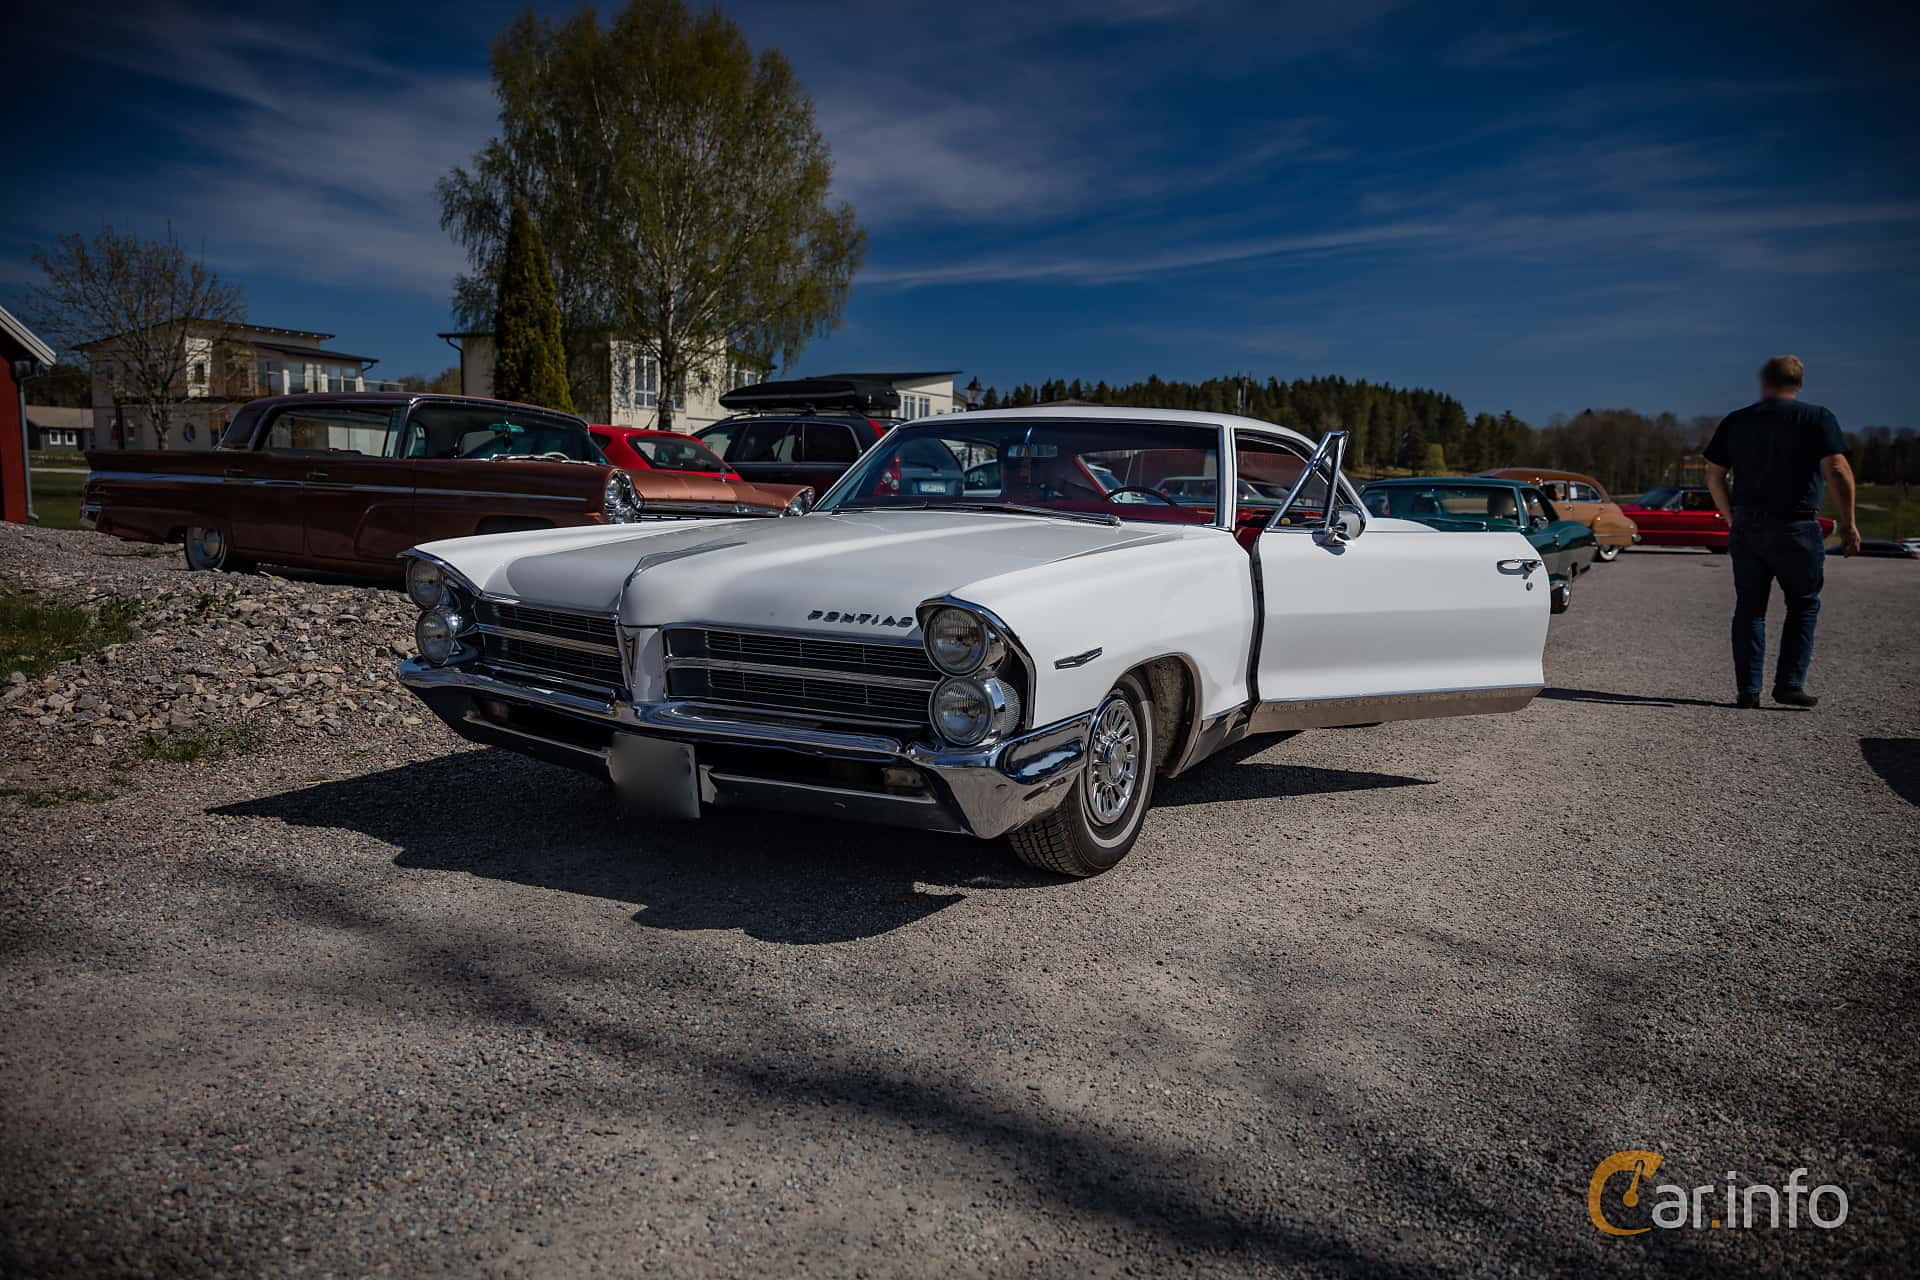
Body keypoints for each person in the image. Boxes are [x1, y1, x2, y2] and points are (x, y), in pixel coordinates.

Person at [1703, 355, 1861, 710]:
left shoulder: (1738, 420)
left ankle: (1748, 690)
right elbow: (1837, 469)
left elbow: (1713, 473)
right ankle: (1789, 684)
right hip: (1796, 526)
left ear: (1764, 382)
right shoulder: (1817, 418)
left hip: (1747, 524)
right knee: (1803, 605)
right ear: (1799, 383)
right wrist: (1849, 524)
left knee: (1750, 608)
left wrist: (1731, 517)